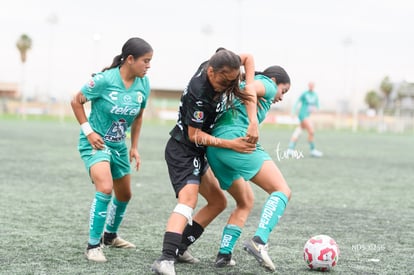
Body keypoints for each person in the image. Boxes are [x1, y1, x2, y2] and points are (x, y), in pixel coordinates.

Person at [151, 48, 259, 275]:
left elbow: (247, 57)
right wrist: (232, 144)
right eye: (224, 80)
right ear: (211, 71)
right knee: (188, 199)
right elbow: (195, 136)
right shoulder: (199, 92)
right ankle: (165, 258)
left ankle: (180, 247)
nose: (229, 85)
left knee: (218, 201)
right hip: (183, 149)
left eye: (233, 80)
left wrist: (248, 91)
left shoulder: (221, 66)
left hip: (199, 152)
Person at [70, 37, 153, 262]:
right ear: (129, 59)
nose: (148, 65)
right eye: (145, 61)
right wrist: (89, 132)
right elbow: (76, 101)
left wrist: (134, 147)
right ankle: (93, 246)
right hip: (95, 143)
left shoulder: (144, 84)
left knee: (125, 194)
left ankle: (110, 236)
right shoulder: (104, 80)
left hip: (118, 146)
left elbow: (138, 117)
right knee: (105, 188)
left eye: (150, 61)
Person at [206, 66, 292, 272]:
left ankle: (224, 254)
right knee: (282, 190)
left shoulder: (244, 85)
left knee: (245, 201)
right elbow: (253, 88)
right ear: (274, 80)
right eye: (284, 90)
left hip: (216, 149)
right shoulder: (268, 85)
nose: (281, 97)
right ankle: (259, 241)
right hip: (237, 142)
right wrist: (253, 121)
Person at [287, 81, 323, 157]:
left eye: (312, 85)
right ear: (308, 86)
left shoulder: (315, 95)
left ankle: (290, 149)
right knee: (311, 131)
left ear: (314, 86)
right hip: (302, 115)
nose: (311, 86)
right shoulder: (304, 94)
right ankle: (312, 150)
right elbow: (297, 102)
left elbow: (317, 105)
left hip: (307, 115)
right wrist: (293, 111)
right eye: (310, 85)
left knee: (299, 130)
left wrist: (316, 109)